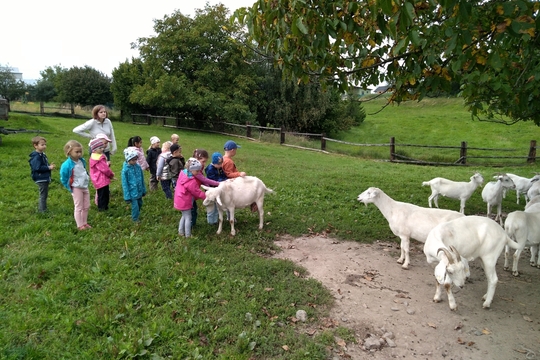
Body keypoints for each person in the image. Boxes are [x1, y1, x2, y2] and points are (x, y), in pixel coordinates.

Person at [60, 140, 91, 230]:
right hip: (76, 187)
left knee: (86, 205)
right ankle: (79, 225)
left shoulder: (82, 161)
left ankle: (85, 222)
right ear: (69, 152)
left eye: (80, 151)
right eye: (76, 152)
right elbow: (64, 177)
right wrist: (69, 187)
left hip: (84, 186)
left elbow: (83, 171)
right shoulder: (66, 165)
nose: (79, 154)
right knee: (79, 206)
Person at [174, 158, 206, 237]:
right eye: (197, 171)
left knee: (184, 216)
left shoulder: (183, 174)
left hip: (179, 199)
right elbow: (196, 192)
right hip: (185, 201)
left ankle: (181, 232)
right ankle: (188, 235)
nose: (198, 172)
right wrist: (206, 196)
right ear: (191, 170)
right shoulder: (190, 181)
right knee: (188, 217)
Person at [222, 140, 258, 212]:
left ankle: (253, 202)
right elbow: (228, 174)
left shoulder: (223, 158)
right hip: (232, 182)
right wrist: (239, 174)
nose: (236, 151)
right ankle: (253, 202)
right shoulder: (229, 161)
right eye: (236, 150)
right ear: (232, 150)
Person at [191, 149, 219, 226]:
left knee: (193, 208)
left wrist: (209, 187)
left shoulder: (199, 167)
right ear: (197, 159)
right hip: (190, 192)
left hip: (193, 190)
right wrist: (218, 183)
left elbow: (203, 180)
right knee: (192, 210)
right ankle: (191, 225)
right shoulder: (194, 170)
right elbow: (204, 179)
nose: (204, 164)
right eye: (203, 161)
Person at [28, 136, 55, 213]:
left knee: (44, 194)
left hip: (44, 177)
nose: (44, 146)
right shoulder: (36, 156)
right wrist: (48, 167)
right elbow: (37, 168)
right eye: (42, 145)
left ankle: (43, 208)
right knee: (43, 195)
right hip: (41, 178)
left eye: (45, 144)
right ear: (35, 146)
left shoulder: (41, 154)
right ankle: (42, 210)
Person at [89, 138, 115, 211]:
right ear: (94, 149)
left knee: (101, 193)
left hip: (96, 179)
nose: (102, 149)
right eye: (100, 148)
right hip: (102, 179)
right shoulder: (99, 158)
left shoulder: (93, 157)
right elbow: (105, 169)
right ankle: (102, 208)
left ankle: (102, 206)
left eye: (102, 147)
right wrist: (111, 175)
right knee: (104, 194)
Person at [122, 148, 147, 222]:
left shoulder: (138, 167)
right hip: (132, 192)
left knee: (140, 203)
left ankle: (137, 214)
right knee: (135, 206)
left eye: (136, 159)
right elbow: (125, 184)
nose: (135, 161)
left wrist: (143, 189)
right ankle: (135, 219)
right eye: (133, 160)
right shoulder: (125, 170)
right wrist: (127, 196)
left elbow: (142, 178)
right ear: (128, 159)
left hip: (139, 190)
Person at [205, 152, 227, 224]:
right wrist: (221, 181)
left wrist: (225, 179)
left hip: (218, 190)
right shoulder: (210, 169)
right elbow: (213, 180)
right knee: (211, 207)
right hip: (212, 191)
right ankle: (211, 222)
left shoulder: (219, 168)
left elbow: (223, 175)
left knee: (217, 206)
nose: (220, 166)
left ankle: (215, 220)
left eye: (221, 164)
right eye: (218, 164)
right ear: (214, 163)